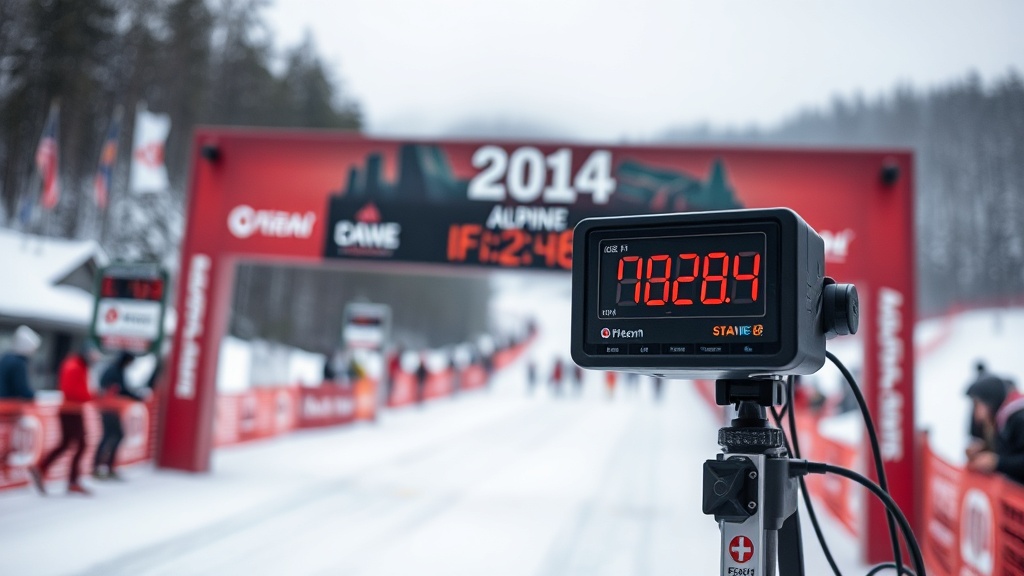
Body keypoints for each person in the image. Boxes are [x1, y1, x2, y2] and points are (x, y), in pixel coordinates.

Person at [30, 347, 96, 495]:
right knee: (79, 444)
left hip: (73, 409)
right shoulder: (74, 366)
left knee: (68, 443)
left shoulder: (78, 365)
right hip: (70, 410)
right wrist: (90, 396)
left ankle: (44, 468)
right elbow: (71, 390)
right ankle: (69, 480)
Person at [965, 370, 1024, 484]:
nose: (976, 415)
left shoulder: (1019, 418)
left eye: (977, 405)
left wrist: (997, 462)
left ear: (991, 402)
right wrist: (985, 449)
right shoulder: (1002, 420)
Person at [93, 352, 143, 480]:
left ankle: (105, 467)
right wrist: (135, 396)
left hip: (111, 408)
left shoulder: (115, 369)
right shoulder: (115, 371)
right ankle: (100, 467)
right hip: (110, 408)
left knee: (112, 436)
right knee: (111, 436)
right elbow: (120, 390)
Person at [0, 325, 41, 400]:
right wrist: (34, 395)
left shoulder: (6, 357)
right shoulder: (19, 363)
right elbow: (23, 389)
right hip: (8, 402)